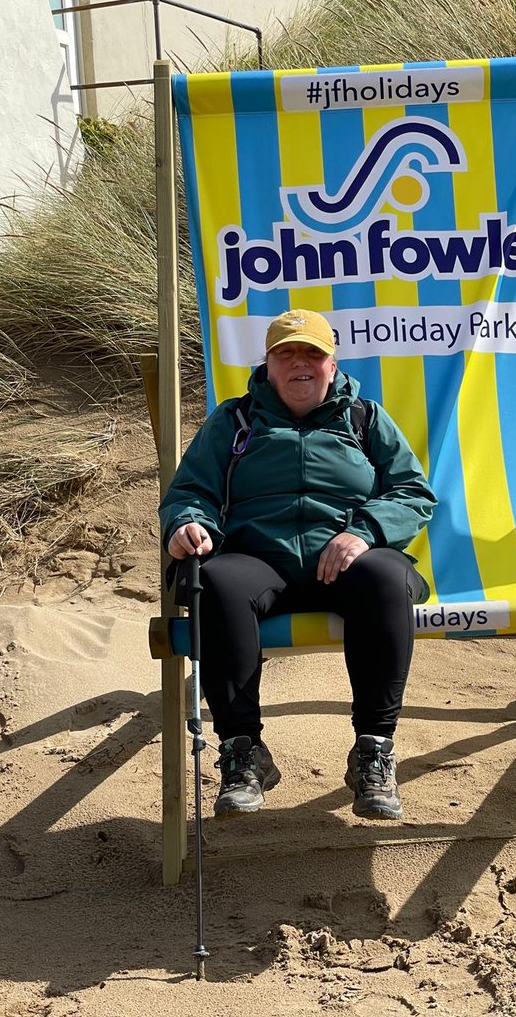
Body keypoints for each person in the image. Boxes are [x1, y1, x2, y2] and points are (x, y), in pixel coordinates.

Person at [159, 309, 436, 821]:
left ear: (332, 364)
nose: (299, 364)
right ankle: (243, 754)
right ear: (267, 364)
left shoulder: (364, 418)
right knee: (215, 581)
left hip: (345, 564)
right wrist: (186, 524)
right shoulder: (234, 420)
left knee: (386, 575)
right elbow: (190, 491)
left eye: (313, 353)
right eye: (286, 353)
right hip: (261, 560)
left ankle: (373, 750)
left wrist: (364, 532)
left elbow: (412, 492)